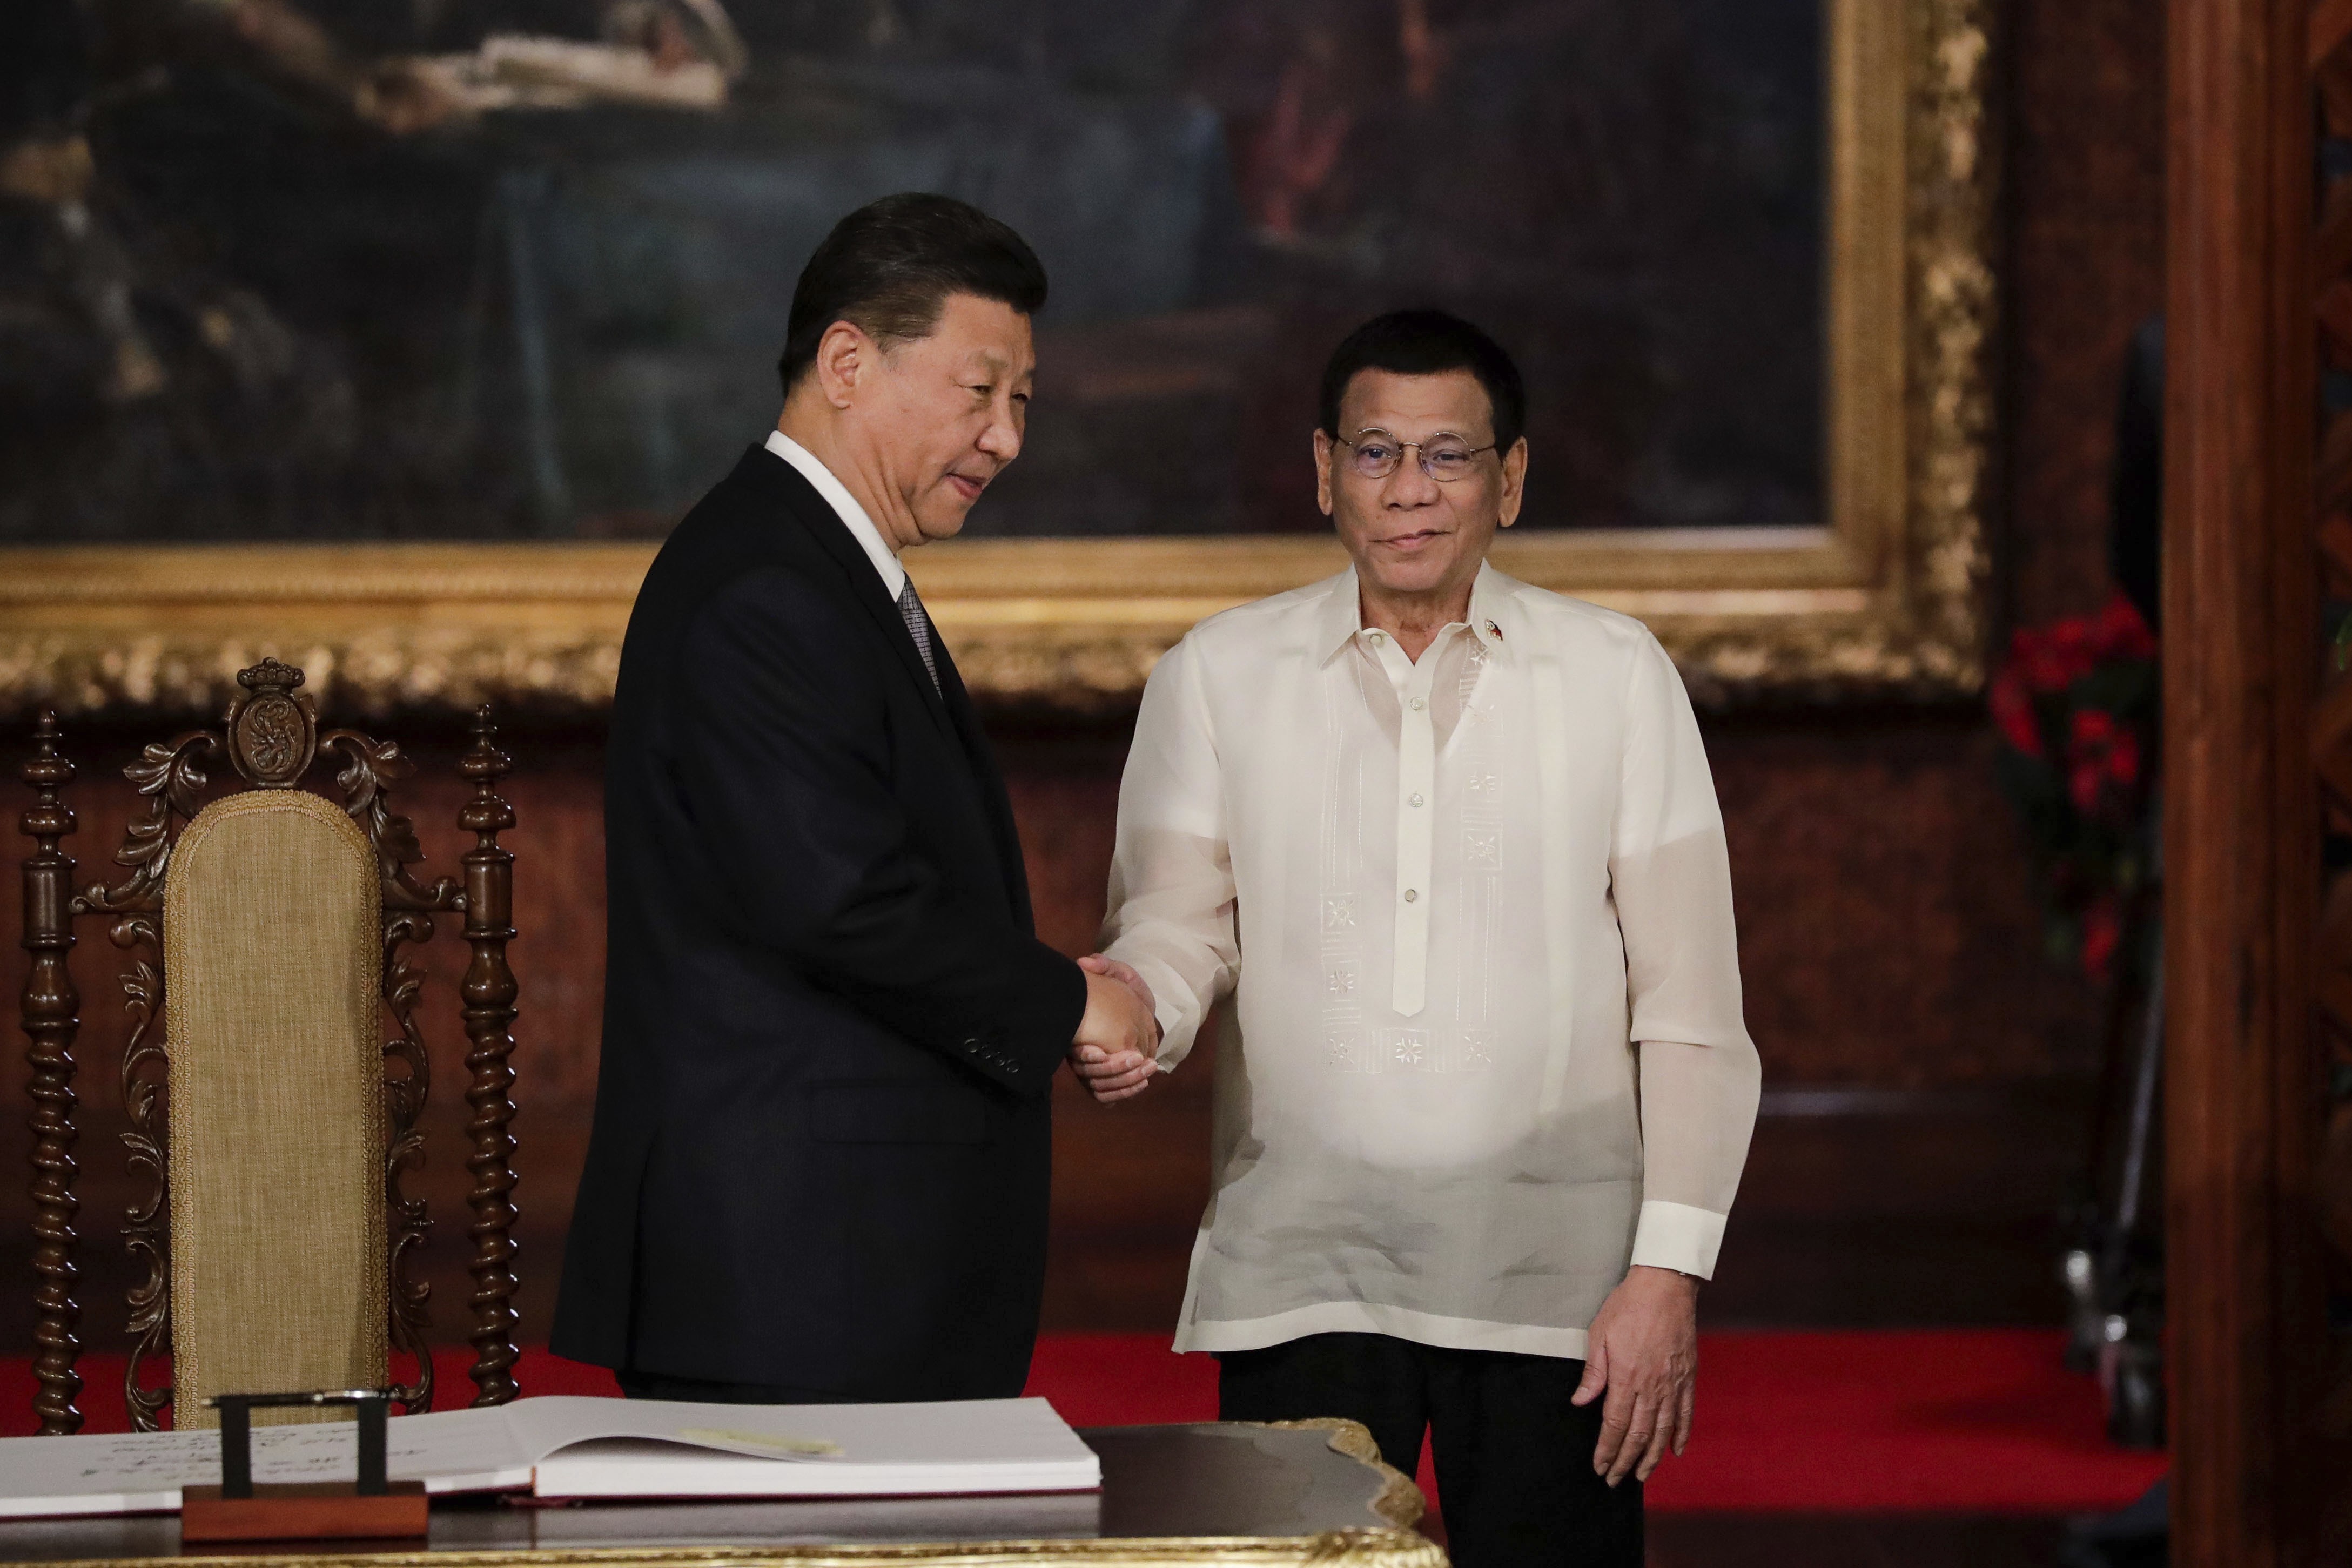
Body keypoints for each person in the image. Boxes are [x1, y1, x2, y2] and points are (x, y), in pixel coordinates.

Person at [1075, 309, 1760, 1566]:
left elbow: (1691, 1008)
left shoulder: (1615, 676)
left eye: (1446, 458)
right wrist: (1140, 1019)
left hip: (1557, 1286)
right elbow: (1173, 923)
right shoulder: (1217, 673)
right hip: (1300, 1262)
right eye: (1378, 454)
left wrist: (1665, 1273)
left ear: (1508, 480)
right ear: (1324, 468)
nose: (1409, 493)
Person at [553, 192, 1159, 1403]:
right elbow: (841, 902)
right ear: (846, 362)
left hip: (834, 1270)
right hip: (794, 1278)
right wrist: (1067, 1005)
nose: (1004, 440)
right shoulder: (766, 586)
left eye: (1021, 401)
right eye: (977, 391)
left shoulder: (810, 565)